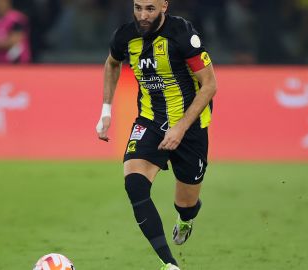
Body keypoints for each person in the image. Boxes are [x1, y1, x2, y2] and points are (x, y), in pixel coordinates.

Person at [95, 1, 217, 269]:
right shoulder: (125, 36)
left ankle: (186, 219)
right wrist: (106, 110)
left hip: (190, 125)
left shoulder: (183, 34)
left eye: (150, 8)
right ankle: (168, 263)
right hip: (150, 121)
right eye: (138, 7)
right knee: (134, 184)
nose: (142, 15)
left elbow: (209, 85)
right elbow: (112, 63)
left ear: (164, 5)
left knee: (186, 203)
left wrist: (181, 128)